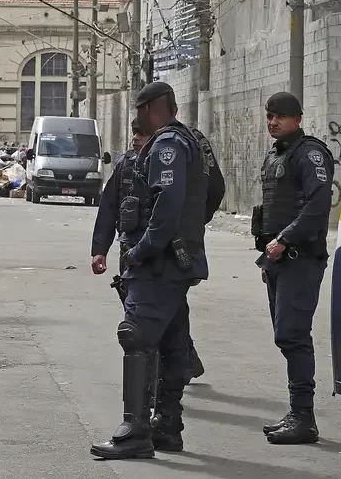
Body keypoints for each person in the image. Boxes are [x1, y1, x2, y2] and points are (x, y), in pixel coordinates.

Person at [90, 81, 211, 460]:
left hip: (158, 263)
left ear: (147, 109)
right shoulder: (192, 143)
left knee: (136, 335)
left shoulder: (167, 145)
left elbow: (167, 205)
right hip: (177, 262)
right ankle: (167, 427)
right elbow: (212, 192)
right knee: (174, 343)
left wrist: (143, 250)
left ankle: (135, 431)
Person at [251, 91, 333, 445]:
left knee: (293, 335)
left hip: (300, 258)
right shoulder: (276, 155)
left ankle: (304, 418)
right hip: (279, 260)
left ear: (298, 119)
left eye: (280, 117)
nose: (273, 122)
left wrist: (284, 239)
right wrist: (270, 255)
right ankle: (297, 412)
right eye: (269, 116)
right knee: (285, 336)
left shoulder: (310, 154)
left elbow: (317, 207)